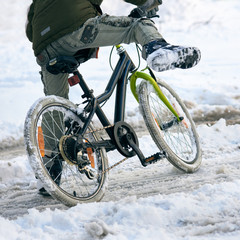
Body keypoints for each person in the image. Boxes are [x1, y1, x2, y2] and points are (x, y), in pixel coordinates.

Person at [26, 0, 201, 195]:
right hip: (77, 29)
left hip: (44, 48)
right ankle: (157, 50)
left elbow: (29, 29)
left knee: (55, 105)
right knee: (137, 25)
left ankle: (50, 170)